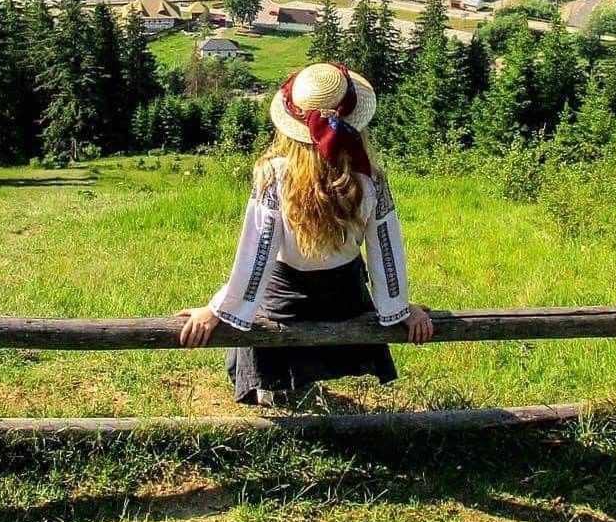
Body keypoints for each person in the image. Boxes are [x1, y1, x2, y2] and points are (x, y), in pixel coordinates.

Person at [178, 61, 433, 405]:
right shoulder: (370, 177)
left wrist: (217, 309)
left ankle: (277, 387)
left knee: (268, 306)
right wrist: (401, 308)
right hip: (345, 299)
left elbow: (258, 255)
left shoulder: (273, 174)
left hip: (285, 303)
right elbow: (385, 248)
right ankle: (298, 384)